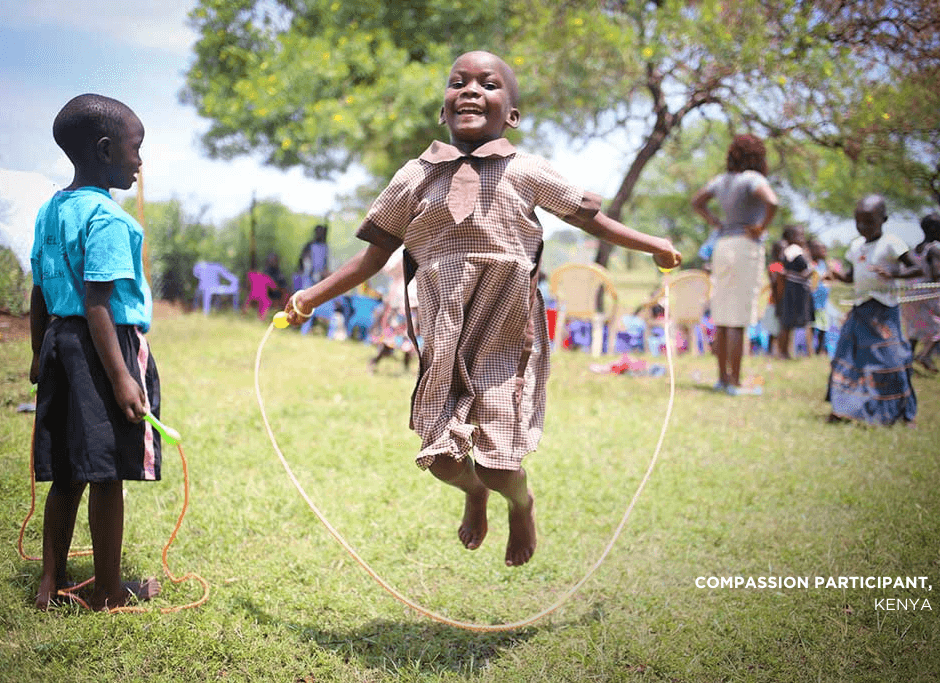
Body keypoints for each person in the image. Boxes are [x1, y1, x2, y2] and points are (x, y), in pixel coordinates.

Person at [283, 51, 681, 567]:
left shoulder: (527, 170)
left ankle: (520, 501)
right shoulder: (414, 177)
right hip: (445, 333)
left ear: (511, 115)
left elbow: (594, 221)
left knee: (498, 462)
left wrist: (652, 244)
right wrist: (311, 297)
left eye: (488, 84)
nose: (470, 90)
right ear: (442, 110)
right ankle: (473, 493)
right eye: (457, 83)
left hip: (504, 331)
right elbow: (373, 256)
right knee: (443, 461)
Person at [28, 94, 162, 610]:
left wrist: (39, 354)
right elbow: (99, 303)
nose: (140, 161)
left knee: (67, 471)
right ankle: (108, 590)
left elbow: (39, 291)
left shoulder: (51, 212)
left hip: (62, 344)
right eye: (135, 149)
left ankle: (48, 586)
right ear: (106, 151)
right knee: (107, 472)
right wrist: (125, 379)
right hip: (105, 348)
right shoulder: (110, 220)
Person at [692, 134, 779, 394]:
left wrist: (716, 223)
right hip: (745, 246)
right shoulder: (753, 179)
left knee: (721, 314)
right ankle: (735, 382)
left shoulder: (721, 181)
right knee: (738, 318)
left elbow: (697, 201)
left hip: (722, 245)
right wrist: (761, 226)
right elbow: (772, 201)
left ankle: (721, 379)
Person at [825, 195, 923, 425]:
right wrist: (838, 276)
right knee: (847, 359)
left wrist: (894, 274)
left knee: (890, 361)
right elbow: (853, 276)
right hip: (859, 311)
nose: (862, 227)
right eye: (858, 222)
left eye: (868, 222)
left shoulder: (891, 243)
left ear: (884, 219)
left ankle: (902, 413)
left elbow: (917, 268)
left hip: (883, 312)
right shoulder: (855, 245)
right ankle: (845, 409)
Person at [901, 214, 940, 374]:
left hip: (912, 294)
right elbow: (936, 275)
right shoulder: (933, 250)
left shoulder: (915, 249)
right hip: (928, 295)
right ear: (934, 230)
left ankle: (906, 364)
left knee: (914, 330)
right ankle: (924, 355)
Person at [368, 248, 418, 373]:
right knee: (390, 338)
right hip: (400, 301)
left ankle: (406, 369)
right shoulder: (401, 252)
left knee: (409, 339)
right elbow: (389, 268)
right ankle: (374, 361)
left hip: (413, 302)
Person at [774, 225, 815, 359]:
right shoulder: (793, 251)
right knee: (787, 322)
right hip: (794, 291)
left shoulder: (799, 250)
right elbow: (803, 272)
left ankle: (785, 352)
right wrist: (811, 270)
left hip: (798, 290)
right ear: (790, 238)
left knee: (790, 322)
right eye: (799, 235)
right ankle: (782, 352)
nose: (802, 238)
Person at [807, 237, 834, 355]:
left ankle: (820, 350)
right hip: (811, 301)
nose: (822, 251)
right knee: (812, 326)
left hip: (823, 303)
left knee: (823, 327)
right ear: (811, 250)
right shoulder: (809, 264)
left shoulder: (824, 264)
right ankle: (810, 350)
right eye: (818, 249)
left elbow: (830, 278)